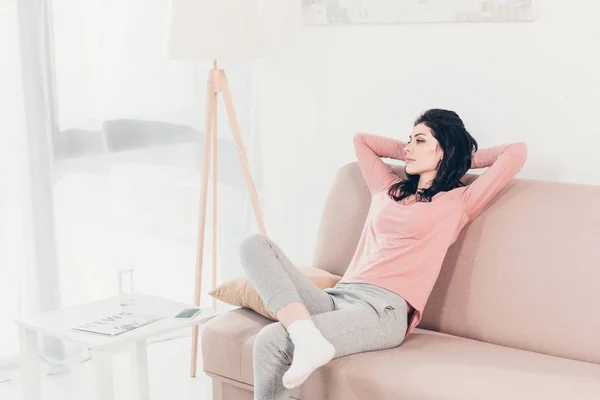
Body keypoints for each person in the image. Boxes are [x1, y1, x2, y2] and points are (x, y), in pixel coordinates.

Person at [239, 109, 528, 400]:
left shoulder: (459, 202)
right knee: (254, 245)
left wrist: (460, 157)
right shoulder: (388, 188)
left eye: (419, 141)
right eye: (408, 141)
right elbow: (362, 141)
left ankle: (304, 337)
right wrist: (419, 152)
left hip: (382, 312)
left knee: (272, 339)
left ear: (443, 150)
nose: (408, 148)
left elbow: (516, 152)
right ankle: (305, 334)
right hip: (338, 299)